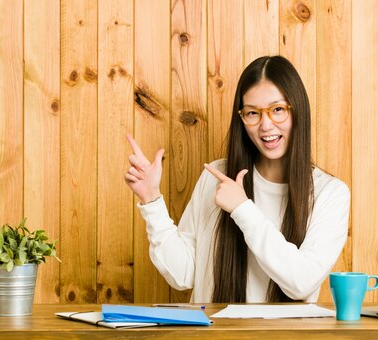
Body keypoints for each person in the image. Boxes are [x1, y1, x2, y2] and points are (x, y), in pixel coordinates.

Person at [125, 55, 350, 303]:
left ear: (297, 111)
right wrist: (151, 200)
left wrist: (242, 209)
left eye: (277, 110)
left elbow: (302, 283)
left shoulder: (330, 193)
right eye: (252, 113)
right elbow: (183, 275)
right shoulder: (215, 177)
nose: (266, 125)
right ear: (242, 119)